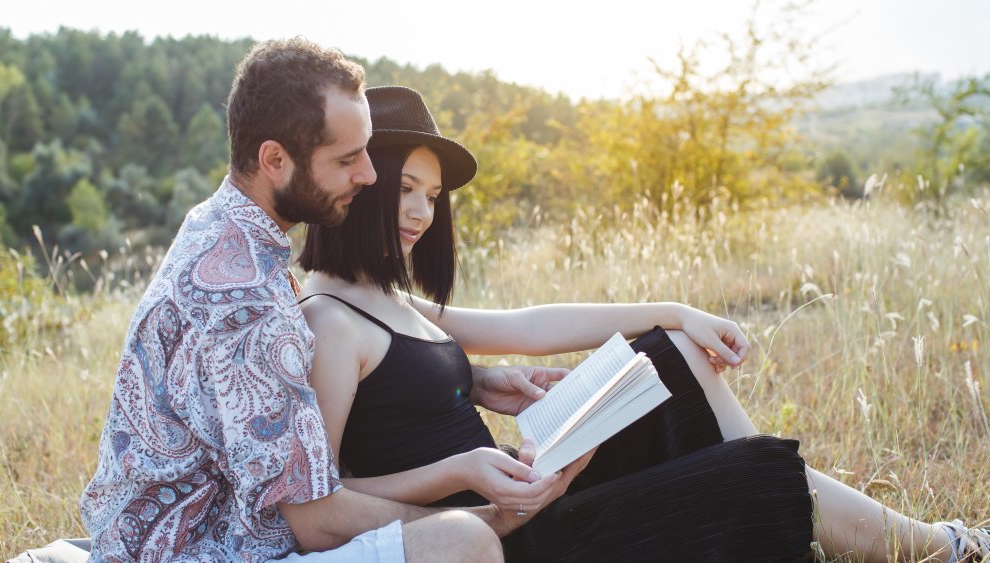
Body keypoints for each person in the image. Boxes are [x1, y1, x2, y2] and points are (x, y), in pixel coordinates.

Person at [296, 85, 990, 562]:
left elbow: (528, 324)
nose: (421, 213)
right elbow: (322, 504)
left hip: (529, 488)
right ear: (359, 184)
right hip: (502, 536)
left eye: (433, 196)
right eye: (405, 191)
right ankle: (942, 545)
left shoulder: (387, 295)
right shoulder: (330, 320)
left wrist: (669, 310)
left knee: (672, 353)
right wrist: (461, 468)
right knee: (756, 473)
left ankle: (917, 533)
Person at [76, 39, 575, 563]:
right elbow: (316, 521)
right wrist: (494, 519)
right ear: (274, 159)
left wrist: (470, 382)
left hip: (178, 533)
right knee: (463, 542)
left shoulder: (219, 227)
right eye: (347, 158)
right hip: (202, 552)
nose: (368, 174)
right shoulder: (248, 303)